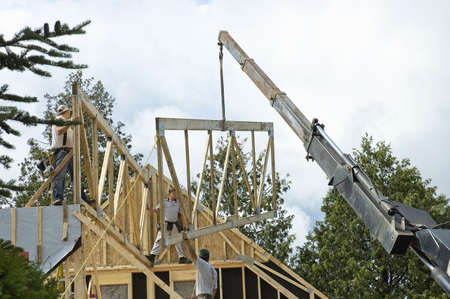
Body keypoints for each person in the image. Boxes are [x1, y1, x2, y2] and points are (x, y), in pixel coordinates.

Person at [51, 104, 88, 205]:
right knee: (60, 175)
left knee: (76, 176)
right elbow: (59, 131)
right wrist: (72, 121)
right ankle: (57, 198)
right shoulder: (58, 119)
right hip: (62, 152)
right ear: (66, 112)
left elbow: (70, 133)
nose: (70, 113)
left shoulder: (67, 123)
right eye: (69, 112)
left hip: (70, 152)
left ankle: (82, 199)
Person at [147, 187, 190, 266]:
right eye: (173, 193)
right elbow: (157, 210)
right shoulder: (164, 202)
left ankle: (182, 257)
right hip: (165, 224)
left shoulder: (178, 203)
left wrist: (184, 224)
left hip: (174, 224)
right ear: (169, 194)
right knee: (159, 239)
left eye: (175, 194)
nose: (175, 195)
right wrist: (150, 209)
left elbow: (181, 215)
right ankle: (152, 256)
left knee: (177, 240)